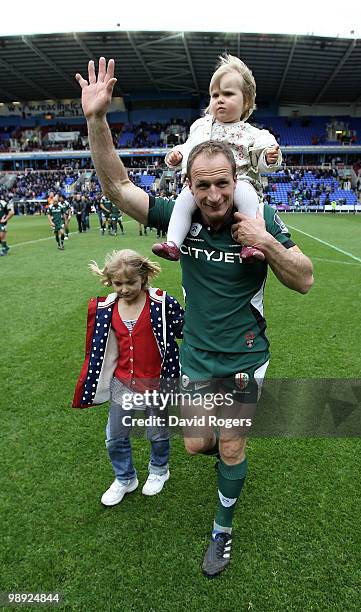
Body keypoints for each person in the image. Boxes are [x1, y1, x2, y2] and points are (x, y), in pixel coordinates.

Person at [76, 57, 314, 578]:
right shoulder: (178, 218)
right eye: (201, 185)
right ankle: (231, 451)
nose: (213, 195)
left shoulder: (259, 218)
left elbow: (304, 278)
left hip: (246, 355)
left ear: (236, 178)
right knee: (195, 444)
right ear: (189, 184)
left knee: (229, 443)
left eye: (221, 184)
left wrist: (267, 242)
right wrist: (97, 119)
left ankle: (221, 532)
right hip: (197, 356)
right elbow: (117, 188)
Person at [72, 249, 184, 504]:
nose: (124, 289)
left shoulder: (162, 302)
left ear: (144, 278)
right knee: (115, 436)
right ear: (109, 281)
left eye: (130, 282)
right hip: (123, 383)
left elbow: (185, 329)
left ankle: (159, 470)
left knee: (157, 432)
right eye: (117, 283)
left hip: (158, 382)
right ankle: (125, 478)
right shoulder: (106, 309)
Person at [152, 54, 282, 262]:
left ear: (246, 101)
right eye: (215, 95)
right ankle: (173, 244)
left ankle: (250, 245)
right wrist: (177, 156)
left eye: (228, 94)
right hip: (203, 182)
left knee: (247, 196)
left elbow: (262, 155)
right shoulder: (201, 127)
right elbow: (190, 148)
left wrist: (269, 156)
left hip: (239, 181)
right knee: (183, 200)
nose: (220, 99)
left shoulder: (252, 133)